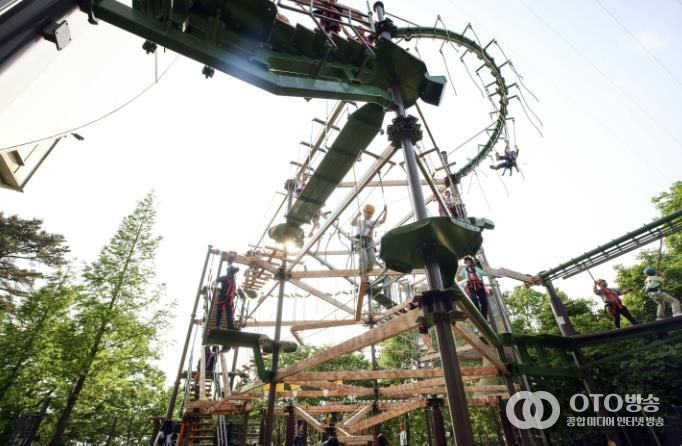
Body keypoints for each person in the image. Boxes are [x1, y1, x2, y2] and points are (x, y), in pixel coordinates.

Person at [351, 204, 387, 275]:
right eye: (367, 213)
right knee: (364, 257)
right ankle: (362, 273)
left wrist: (385, 212)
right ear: (364, 212)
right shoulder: (360, 222)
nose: (369, 215)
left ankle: (367, 271)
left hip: (369, 242)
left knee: (372, 258)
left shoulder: (372, 223)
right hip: (360, 241)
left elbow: (382, 221)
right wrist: (357, 215)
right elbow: (353, 223)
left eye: (370, 213)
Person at [215, 265, 239, 330]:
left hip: (229, 299)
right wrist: (217, 289)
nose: (233, 274)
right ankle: (217, 325)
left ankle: (230, 326)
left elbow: (233, 288)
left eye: (233, 273)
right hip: (222, 296)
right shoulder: (224, 278)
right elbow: (215, 281)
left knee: (229, 312)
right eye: (232, 272)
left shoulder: (233, 281)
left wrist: (234, 293)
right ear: (229, 272)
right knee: (219, 311)